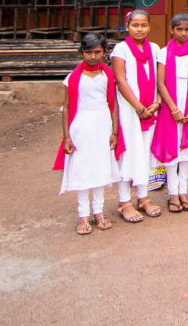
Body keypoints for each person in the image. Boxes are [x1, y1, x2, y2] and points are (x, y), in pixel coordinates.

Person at [54, 32, 122, 235]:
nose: (93, 56)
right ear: (81, 52)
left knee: (101, 168)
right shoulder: (73, 78)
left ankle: (99, 212)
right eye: (88, 52)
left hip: (102, 124)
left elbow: (113, 104)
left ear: (104, 53)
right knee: (83, 170)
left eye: (97, 52)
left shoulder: (107, 75)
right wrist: (67, 136)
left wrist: (115, 131)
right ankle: (83, 215)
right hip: (81, 125)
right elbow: (66, 108)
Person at [110, 10, 162, 222]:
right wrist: (139, 108)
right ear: (127, 26)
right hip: (129, 111)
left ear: (149, 27)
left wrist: (156, 103)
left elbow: (160, 79)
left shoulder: (155, 49)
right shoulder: (120, 49)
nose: (139, 29)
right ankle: (124, 202)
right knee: (128, 153)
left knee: (144, 153)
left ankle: (143, 197)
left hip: (151, 109)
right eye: (135, 25)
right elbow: (121, 81)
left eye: (143, 25)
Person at [151, 13, 188, 213]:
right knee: (171, 149)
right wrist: (173, 108)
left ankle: (184, 191)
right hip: (170, 105)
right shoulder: (164, 53)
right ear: (171, 30)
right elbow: (161, 83)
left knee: (186, 151)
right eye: (179, 29)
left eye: (187, 29)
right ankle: (172, 193)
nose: (183, 33)